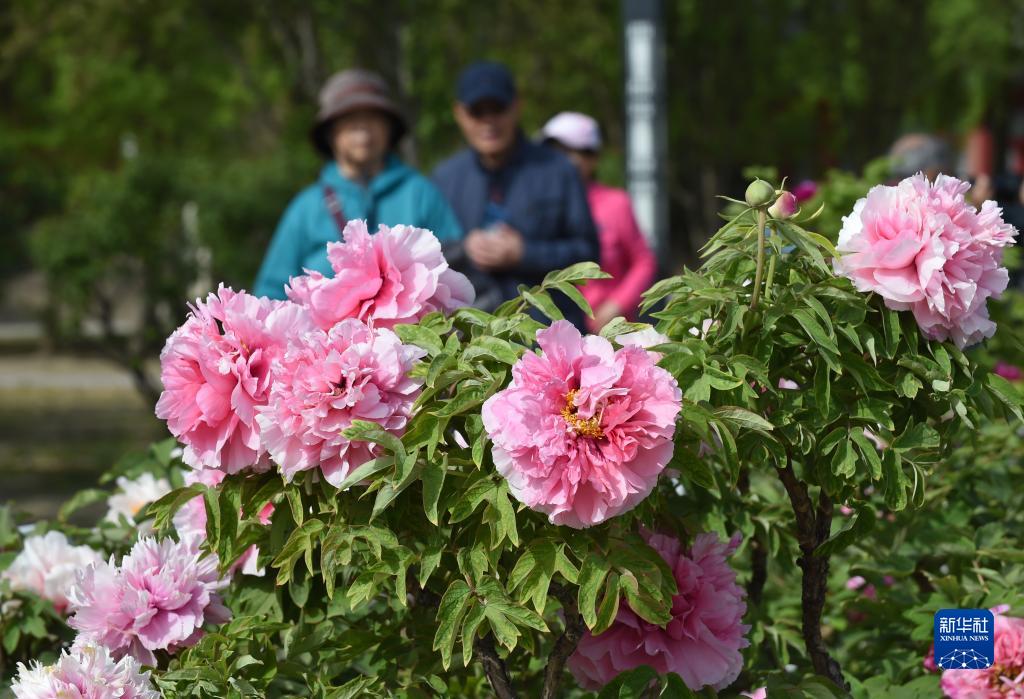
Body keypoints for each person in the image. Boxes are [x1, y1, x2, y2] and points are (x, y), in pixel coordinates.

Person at [254, 69, 462, 299]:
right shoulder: (305, 208)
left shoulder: (419, 193)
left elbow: (456, 268)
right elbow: (271, 292)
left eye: (373, 118)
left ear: (389, 128)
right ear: (330, 133)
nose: (363, 129)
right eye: (350, 120)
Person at [432, 61, 599, 328]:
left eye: (497, 109)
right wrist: (465, 248)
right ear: (459, 113)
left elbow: (589, 254)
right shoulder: (445, 178)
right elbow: (428, 256)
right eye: (477, 111)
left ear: (517, 106)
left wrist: (524, 253)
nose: (489, 121)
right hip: (469, 337)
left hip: (548, 334)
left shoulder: (559, 171)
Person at [541, 111, 656, 332]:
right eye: (552, 152)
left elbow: (644, 262)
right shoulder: (536, 205)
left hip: (608, 331)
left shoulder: (616, 203)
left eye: (567, 151)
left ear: (592, 158)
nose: (557, 160)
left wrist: (616, 305)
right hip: (552, 328)